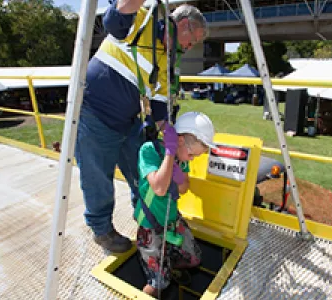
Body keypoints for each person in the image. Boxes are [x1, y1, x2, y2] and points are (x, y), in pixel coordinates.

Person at [74, 0, 209, 253]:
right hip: (95, 115)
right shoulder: (141, 20)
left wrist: (173, 139)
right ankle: (102, 231)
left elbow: (159, 107)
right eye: (192, 40)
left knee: (143, 174)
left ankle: (148, 219)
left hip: (128, 121)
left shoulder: (168, 62)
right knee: (97, 178)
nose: (190, 48)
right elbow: (115, 18)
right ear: (183, 24)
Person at [134, 112, 216, 297]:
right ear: (179, 141)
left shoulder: (181, 159)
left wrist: (177, 171)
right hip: (150, 224)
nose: (192, 159)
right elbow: (160, 189)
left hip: (171, 218)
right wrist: (169, 154)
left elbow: (184, 187)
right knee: (159, 283)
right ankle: (159, 277)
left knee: (194, 258)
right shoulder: (150, 151)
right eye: (192, 154)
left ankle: (169, 266)